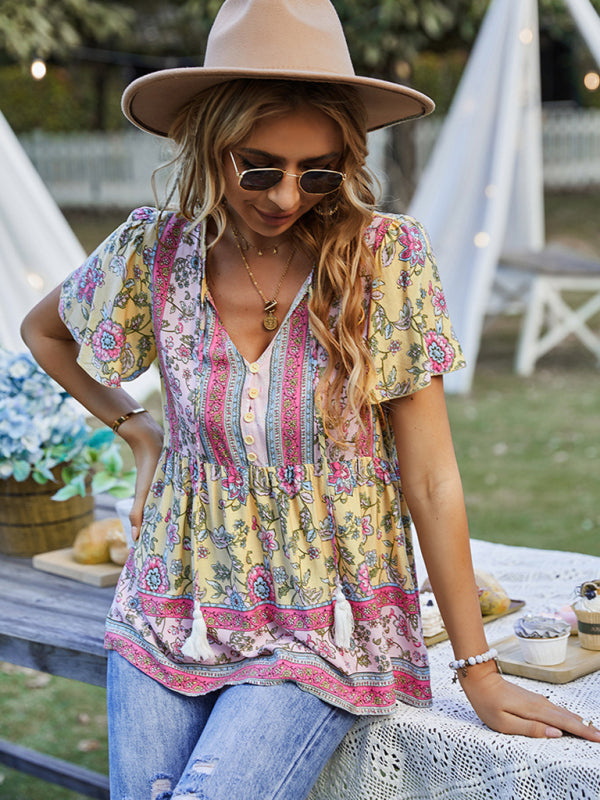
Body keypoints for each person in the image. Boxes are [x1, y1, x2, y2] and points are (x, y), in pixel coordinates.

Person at [21, 1, 600, 798]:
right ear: (208, 144)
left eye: (318, 171)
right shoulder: (152, 253)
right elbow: (43, 331)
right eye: (258, 166)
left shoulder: (384, 261)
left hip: (321, 616)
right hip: (169, 596)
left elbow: (431, 481)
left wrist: (480, 673)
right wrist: (138, 430)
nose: (288, 195)